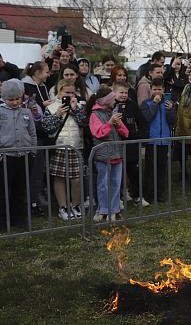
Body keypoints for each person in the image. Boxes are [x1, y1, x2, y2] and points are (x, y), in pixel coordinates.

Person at [41, 79, 89, 221]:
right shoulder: (51, 107)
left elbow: (84, 122)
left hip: (76, 146)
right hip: (59, 146)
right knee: (60, 178)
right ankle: (63, 207)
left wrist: (74, 110)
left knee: (76, 179)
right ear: (59, 91)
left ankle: (75, 205)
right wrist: (57, 114)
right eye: (66, 92)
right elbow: (47, 127)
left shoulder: (79, 106)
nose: (69, 95)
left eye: (72, 92)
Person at [0, 79, 37, 230]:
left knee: (20, 188)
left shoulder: (27, 112)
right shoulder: (1, 112)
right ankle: (2, 220)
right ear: (4, 98)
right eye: (11, 99)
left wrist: (33, 151)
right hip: (6, 157)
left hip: (25, 156)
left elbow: (32, 133)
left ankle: (18, 218)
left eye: (17, 99)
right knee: (3, 190)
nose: (15, 102)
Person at [88, 88, 129, 222]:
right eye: (112, 99)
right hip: (103, 156)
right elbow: (98, 133)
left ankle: (114, 209)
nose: (115, 101)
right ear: (106, 101)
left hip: (117, 153)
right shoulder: (95, 115)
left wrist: (118, 125)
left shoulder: (113, 112)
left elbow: (126, 133)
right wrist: (110, 123)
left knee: (116, 183)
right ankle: (103, 209)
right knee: (103, 184)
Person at [22, 61, 52, 214]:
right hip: (31, 134)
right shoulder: (25, 86)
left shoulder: (43, 87)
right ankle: (29, 203)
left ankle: (34, 200)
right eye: (47, 71)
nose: (49, 74)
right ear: (38, 72)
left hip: (43, 132)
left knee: (38, 171)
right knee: (32, 171)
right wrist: (43, 104)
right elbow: (28, 105)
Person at [112, 81, 149, 207]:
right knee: (117, 173)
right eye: (121, 92)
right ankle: (118, 198)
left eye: (125, 92)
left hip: (131, 144)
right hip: (115, 145)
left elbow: (142, 121)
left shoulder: (132, 105)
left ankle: (137, 196)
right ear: (114, 92)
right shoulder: (110, 105)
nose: (123, 95)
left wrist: (140, 136)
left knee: (133, 171)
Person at [140, 77, 176, 203]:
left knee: (162, 169)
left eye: (159, 89)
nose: (157, 92)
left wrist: (171, 110)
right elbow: (147, 117)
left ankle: (160, 193)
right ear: (150, 90)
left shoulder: (167, 103)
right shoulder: (146, 104)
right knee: (150, 169)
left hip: (164, 141)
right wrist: (155, 104)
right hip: (152, 141)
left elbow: (172, 121)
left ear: (163, 90)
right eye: (155, 89)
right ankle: (149, 194)